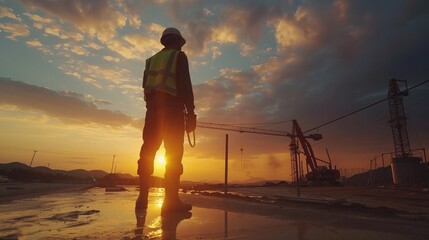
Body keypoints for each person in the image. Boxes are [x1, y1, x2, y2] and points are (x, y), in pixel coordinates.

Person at [136, 27, 196, 214]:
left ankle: (142, 198)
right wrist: (191, 113)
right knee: (173, 154)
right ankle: (171, 202)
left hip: (153, 112)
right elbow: (185, 84)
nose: (181, 47)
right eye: (180, 43)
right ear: (177, 42)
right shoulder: (179, 57)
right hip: (173, 112)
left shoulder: (151, 61)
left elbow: (146, 88)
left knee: (148, 151)